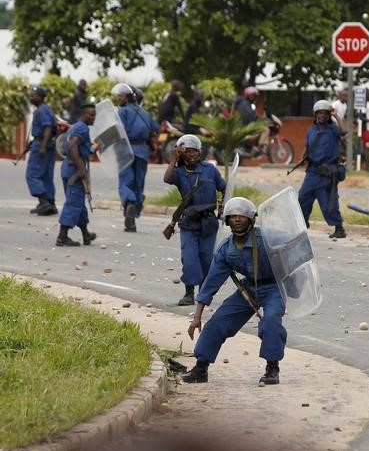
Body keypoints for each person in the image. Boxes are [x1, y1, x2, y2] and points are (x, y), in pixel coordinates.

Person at [183, 197, 287, 387]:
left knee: (271, 319)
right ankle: (200, 368)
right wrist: (196, 317)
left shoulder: (267, 239)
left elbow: (294, 246)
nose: (237, 219)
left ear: (251, 219)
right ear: (227, 220)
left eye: (242, 216)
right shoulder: (226, 250)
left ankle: (272, 368)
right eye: (233, 216)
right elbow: (210, 285)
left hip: (274, 287)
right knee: (218, 322)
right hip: (249, 289)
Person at [164, 134, 227, 306]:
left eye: (195, 151)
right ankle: (188, 293)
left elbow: (225, 187)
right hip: (189, 223)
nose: (192, 155)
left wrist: (223, 204)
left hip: (208, 222)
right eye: (187, 152)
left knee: (207, 259)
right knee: (189, 258)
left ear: (200, 152)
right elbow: (167, 178)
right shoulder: (179, 173)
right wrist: (173, 159)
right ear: (181, 154)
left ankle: (203, 294)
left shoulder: (209, 170)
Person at [112, 83, 159, 232]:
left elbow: (118, 131)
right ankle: (132, 218)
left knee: (125, 182)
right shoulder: (145, 114)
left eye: (121, 95)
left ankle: (130, 203)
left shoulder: (123, 112)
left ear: (129, 97)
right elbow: (155, 130)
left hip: (126, 150)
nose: (119, 97)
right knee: (138, 184)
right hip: (142, 152)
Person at [298, 100, 347, 239]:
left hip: (327, 172)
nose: (322, 116)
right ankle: (303, 223)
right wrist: (302, 158)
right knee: (302, 198)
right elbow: (308, 146)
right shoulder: (311, 130)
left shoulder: (333, 130)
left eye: (325, 113)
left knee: (328, 203)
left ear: (328, 115)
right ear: (315, 114)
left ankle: (339, 228)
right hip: (312, 171)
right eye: (319, 113)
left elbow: (344, 131)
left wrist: (336, 115)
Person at [56, 102, 97, 247]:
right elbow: (72, 146)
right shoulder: (82, 128)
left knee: (78, 202)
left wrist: (92, 149)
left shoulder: (75, 127)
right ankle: (62, 236)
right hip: (74, 169)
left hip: (68, 167)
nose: (93, 117)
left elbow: (72, 147)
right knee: (74, 203)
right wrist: (81, 169)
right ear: (83, 114)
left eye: (95, 115)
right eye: (91, 115)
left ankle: (86, 234)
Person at [26, 86, 59, 217]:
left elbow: (48, 128)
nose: (31, 97)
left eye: (33, 95)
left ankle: (44, 202)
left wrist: (43, 146)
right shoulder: (45, 109)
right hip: (45, 143)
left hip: (43, 144)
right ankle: (51, 204)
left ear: (40, 97)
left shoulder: (42, 110)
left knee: (32, 175)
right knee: (46, 176)